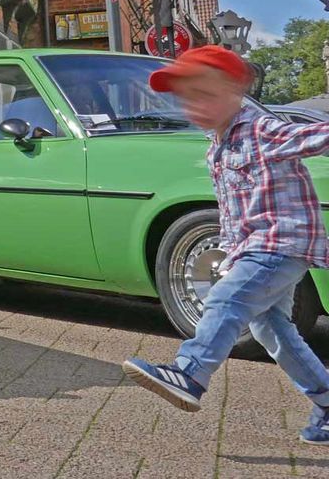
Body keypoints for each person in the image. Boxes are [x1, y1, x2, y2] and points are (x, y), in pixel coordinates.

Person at [122, 45, 329, 444]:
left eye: (204, 94)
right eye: (186, 98)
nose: (194, 106)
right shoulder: (217, 143)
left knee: (227, 299)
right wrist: (233, 254)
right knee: (273, 332)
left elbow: (314, 135)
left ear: (235, 91)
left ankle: (190, 373)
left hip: (280, 240)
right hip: (253, 246)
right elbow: (233, 210)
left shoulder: (260, 128)